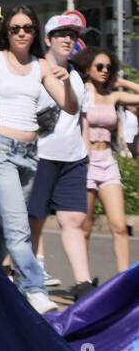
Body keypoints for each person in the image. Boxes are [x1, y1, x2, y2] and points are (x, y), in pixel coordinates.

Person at [0, 6, 76, 313]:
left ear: (35, 31)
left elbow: (70, 107)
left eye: (27, 27)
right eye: (15, 28)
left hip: (29, 154)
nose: (22, 33)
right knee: (18, 228)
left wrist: (65, 82)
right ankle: (34, 289)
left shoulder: (41, 66)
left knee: (3, 229)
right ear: (7, 33)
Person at [27, 15, 94, 301]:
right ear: (48, 39)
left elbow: (83, 120)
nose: (68, 40)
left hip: (73, 158)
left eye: (72, 35)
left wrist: (86, 153)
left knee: (74, 220)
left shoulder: (78, 76)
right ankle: (31, 279)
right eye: (61, 34)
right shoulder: (35, 71)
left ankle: (83, 284)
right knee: (34, 219)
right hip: (40, 155)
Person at [76, 46, 139, 277]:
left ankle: (123, 280)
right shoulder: (80, 92)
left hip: (108, 162)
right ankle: (82, 281)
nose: (105, 71)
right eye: (99, 66)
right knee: (84, 227)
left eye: (109, 68)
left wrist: (123, 83)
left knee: (120, 226)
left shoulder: (113, 95)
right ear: (87, 68)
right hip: (85, 163)